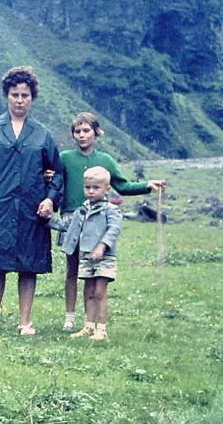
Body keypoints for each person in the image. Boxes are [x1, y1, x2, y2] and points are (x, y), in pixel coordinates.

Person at [0, 66, 63, 336]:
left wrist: (50, 200)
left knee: (28, 265)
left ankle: (25, 322)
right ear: (6, 96)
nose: (20, 100)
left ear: (32, 98)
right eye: (15, 95)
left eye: (25, 95)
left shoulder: (42, 134)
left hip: (30, 209)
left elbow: (57, 172)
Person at [54, 112, 165, 331]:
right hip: (71, 219)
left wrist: (146, 185)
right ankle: (69, 317)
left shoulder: (106, 160)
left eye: (86, 130)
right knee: (72, 268)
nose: (82, 135)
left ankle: (89, 320)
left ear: (96, 133)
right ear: (73, 135)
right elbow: (55, 183)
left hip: (97, 223)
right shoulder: (64, 158)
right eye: (77, 131)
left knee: (92, 271)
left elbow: (122, 185)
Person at [48, 166, 121, 340]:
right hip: (86, 257)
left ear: (106, 189)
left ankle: (101, 328)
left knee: (99, 292)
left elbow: (114, 230)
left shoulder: (111, 209)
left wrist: (102, 246)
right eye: (87, 187)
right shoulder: (82, 209)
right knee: (88, 291)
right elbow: (67, 226)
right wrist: (48, 220)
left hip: (104, 258)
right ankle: (89, 326)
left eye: (96, 188)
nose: (91, 191)